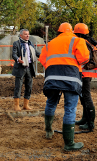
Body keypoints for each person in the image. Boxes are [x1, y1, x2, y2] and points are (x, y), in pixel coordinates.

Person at [39, 22, 90, 151]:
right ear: (71, 31)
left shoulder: (50, 44)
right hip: (71, 77)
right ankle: (69, 143)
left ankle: (48, 131)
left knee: (51, 103)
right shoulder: (77, 40)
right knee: (70, 109)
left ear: (59, 31)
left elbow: (42, 60)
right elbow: (84, 59)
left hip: (52, 77)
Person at [73, 23, 97, 132]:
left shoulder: (83, 43)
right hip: (87, 73)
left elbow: (83, 58)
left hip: (85, 73)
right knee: (83, 96)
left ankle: (90, 122)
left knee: (86, 96)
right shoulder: (89, 41)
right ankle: (85, 119)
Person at [12, 29, 40, 111]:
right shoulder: (16, 43)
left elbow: (36, 53)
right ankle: (16, 105)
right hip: (20, 67)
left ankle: (25, 105)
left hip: (29, 67)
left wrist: (43, 55)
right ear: (21, 35)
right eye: (25, 34)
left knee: (29, 86)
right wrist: (18, 59)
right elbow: (14, 54)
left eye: (28, 34)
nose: (27, 36)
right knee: (18, 86)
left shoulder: (31, 44)